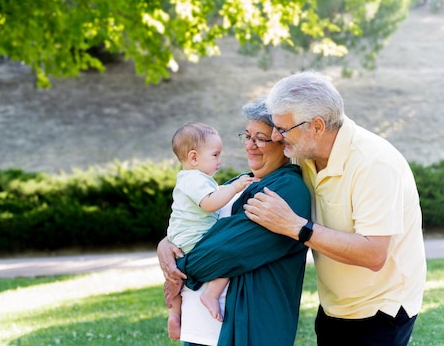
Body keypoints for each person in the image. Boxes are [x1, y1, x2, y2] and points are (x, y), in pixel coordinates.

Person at [243, 71, 427, 346]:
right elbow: (251, 175)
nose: (275, 136)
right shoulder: (304, 152)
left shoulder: (374, 163)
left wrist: (295, 227)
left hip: (381, 309)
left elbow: (374, 254)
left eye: (282, 129)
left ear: (317, 126)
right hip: (333, 305)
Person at [158, 97, 311, 346]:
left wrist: (177, 271)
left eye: (260, 138)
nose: (250, 145)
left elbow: (225, 251)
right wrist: (165, 246)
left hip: (247, 331)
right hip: (200, 330)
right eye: (247, 136)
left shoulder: (285, 190)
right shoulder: (237, 183)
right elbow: (193, 226)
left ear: (285, 143)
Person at [165, 122, 256, 339]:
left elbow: (213, 192)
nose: (219, 160)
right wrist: (235, 187)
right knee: (227, 256)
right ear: (194, 157)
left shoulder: (191, 179)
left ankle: (175, 313)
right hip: (194, 239)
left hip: (180, 240)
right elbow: (209, 203)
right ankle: (211, 295)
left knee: (176, 280)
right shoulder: (195, 180)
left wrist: (223, 188)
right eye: (215, 155)